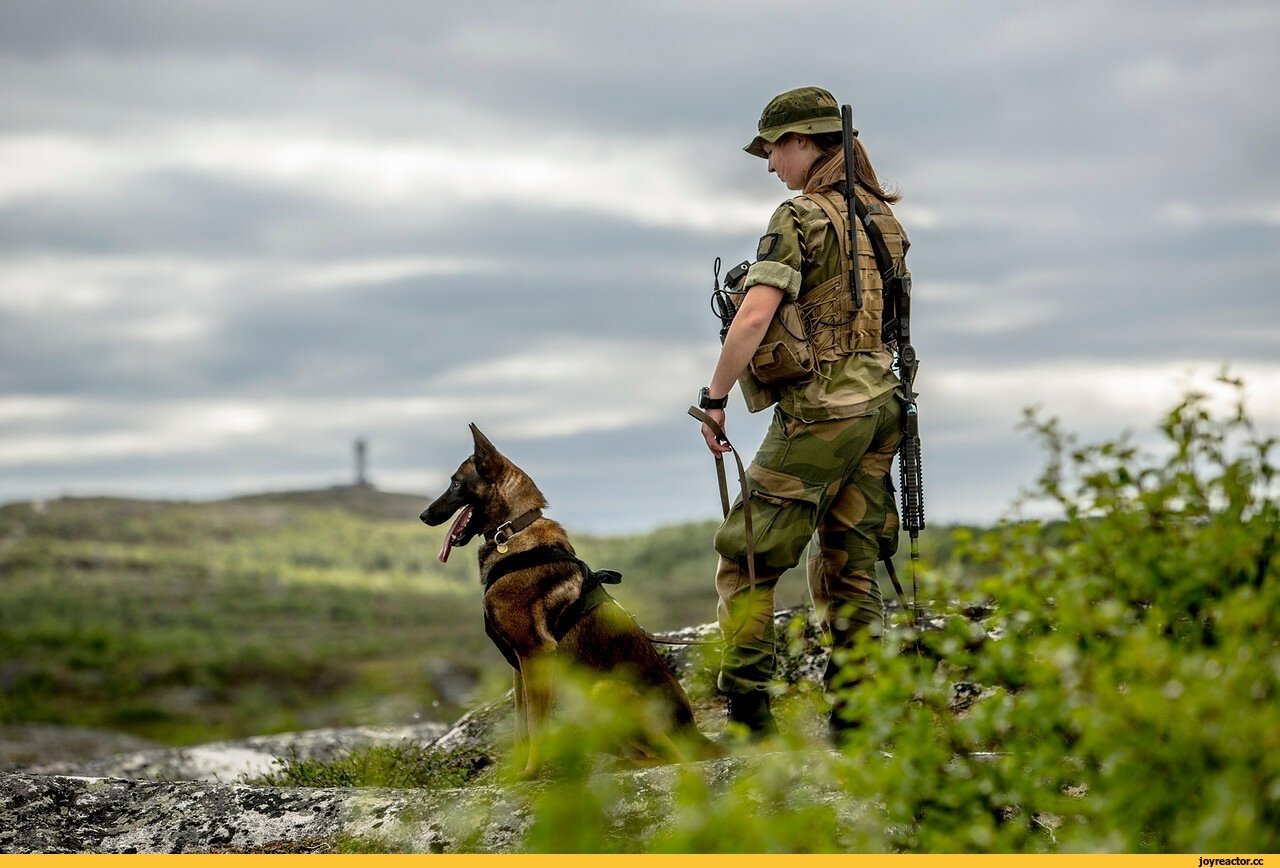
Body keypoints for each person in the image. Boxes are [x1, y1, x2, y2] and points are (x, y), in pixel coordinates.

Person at [693, 86, 911, 742]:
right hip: (880, 408)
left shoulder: (800, 217)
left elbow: (756, 315)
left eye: (773, 148)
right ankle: (855, 724)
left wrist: (715, 398)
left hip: (823, 414)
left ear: (808, 142)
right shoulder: (882, 218)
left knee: (746, 560)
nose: (769, 164)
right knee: (849, 564)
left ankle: (750, 721)